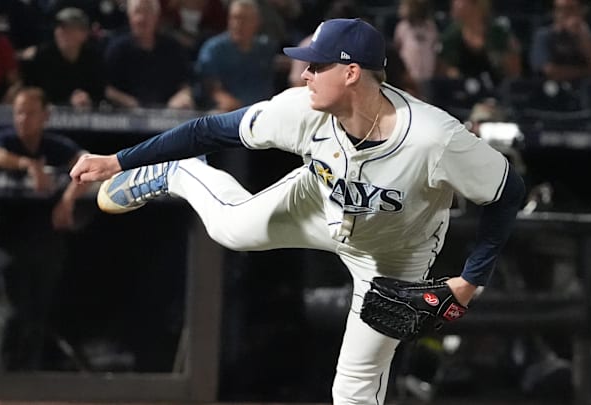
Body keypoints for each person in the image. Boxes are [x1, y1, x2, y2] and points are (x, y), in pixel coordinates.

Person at [70, 18, 524, 404]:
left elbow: (507, 191)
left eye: (317, 64)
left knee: (353, 391)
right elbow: (210, 129)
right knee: (230, 229)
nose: (304, 73)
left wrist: (471, 281)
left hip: (393, 257)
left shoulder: (434, 139)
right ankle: (178, 174)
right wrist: (119, 160)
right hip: (316, 204)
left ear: (350, 73)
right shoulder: (301, 110)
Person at [0, 86, 92, 370]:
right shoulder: (6, 140)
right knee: (18, 309)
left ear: (45, 116)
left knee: (40, 310)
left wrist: (67, 201)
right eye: (19, 112)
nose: (23, 119)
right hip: (9, 238)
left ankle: (32, 375)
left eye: (30, 113)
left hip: (45, 237)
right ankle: (8, 373)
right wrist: (28, 165)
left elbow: (87, 166)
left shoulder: (54, 145)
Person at [104, 0, 194, 109]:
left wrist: (183, 96)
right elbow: (106, 88)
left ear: (157, 16)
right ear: (129, 16)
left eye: (147, 12)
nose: (142, 18)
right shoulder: (117, 49)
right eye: (137, 12)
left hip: (168, 114)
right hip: (125, 115)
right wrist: (128, 102)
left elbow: (185, 84)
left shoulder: (172, 47)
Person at [194, 0, 278, 112]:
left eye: (244, 19)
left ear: (257, 22)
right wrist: (234, 105)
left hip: (264, 111)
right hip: (226, 112)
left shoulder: (266, 49)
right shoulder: (214, 49)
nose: (237, 24)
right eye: (234, 18)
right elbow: (211, 88)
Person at [21, 7, 106, 109]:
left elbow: (100, 93)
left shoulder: (93, 59)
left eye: (70, 28)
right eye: (60, 28)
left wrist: (88, 100)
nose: (63, 33)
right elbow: (33, 92)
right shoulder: (42, 57)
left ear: (84, 34)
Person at [438, 0, 522, 86]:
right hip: (462, 93)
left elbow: (514, 73)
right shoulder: (451, 36)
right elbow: (443, 74)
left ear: (476, 5)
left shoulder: (499, 33)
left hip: (497, 92)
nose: (454, 4)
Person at [529, 0, 591, 82]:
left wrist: (583, 38)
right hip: (554, 89)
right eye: (560, 9)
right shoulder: (544, 35)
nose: (564, 13)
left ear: (581, 11)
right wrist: (588, 72)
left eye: (570, 9)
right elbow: (549, 71)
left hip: (587, 90)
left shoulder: (590, 36)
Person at [392, 0, 440, 98]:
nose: (401, 9)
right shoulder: (402, 27)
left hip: (428, 77)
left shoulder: (430, 27)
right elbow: (397, 50)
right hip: (409, 79)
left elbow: (434, 49)